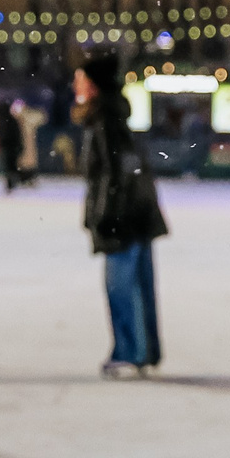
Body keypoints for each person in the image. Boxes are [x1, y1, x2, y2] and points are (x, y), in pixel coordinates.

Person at [76, 54, 168, 375]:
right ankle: (143, 351)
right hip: (135, 213)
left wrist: (105, 216)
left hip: (122, 218)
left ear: (94, 86)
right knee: (137, 286)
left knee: (122, 288)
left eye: (80, 80)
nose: (75, 86)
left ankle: (131, 351)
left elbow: (113, 174)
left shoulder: (104, 121)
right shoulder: (113, 117)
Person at [8, 98, 42, 188]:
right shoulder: (14, 121)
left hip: (27, 143)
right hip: (19, 144)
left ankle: (29, 178)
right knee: (22, 161)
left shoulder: (28, 118)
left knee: (29, 161)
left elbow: (41, 117)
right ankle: (23, 178)